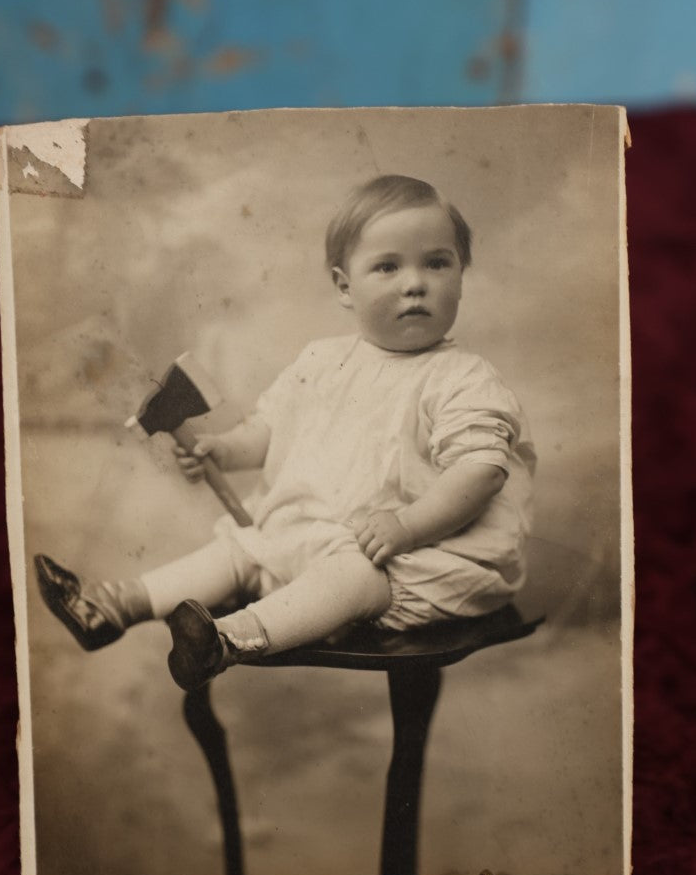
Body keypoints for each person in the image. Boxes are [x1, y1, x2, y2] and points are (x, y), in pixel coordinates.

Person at [36, 174, 536, 691]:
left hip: (416, 559)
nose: (415, 283)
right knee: (237, 551)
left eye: (436, 262)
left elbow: (481, 473)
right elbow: (271, 429)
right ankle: (110, 606)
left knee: (354, 576)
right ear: (345, 286)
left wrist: (406, 527)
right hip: (310, 536)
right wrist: (223, 450)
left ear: (461, 274)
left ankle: (225, 639)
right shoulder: (321, 359)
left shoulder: (463, 378)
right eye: (387, 266)